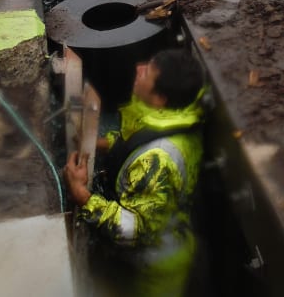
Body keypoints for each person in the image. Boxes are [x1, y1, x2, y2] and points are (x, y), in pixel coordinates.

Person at [64, 48, 206, 297]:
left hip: (156, 265)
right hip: (168, 225)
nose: (139, 68)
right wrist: (100, 143)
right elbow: (137, 136)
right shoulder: (177, 112)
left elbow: (134, 230)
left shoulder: (157, 161)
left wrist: (81, 195)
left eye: (147, 72)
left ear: (160, 98)